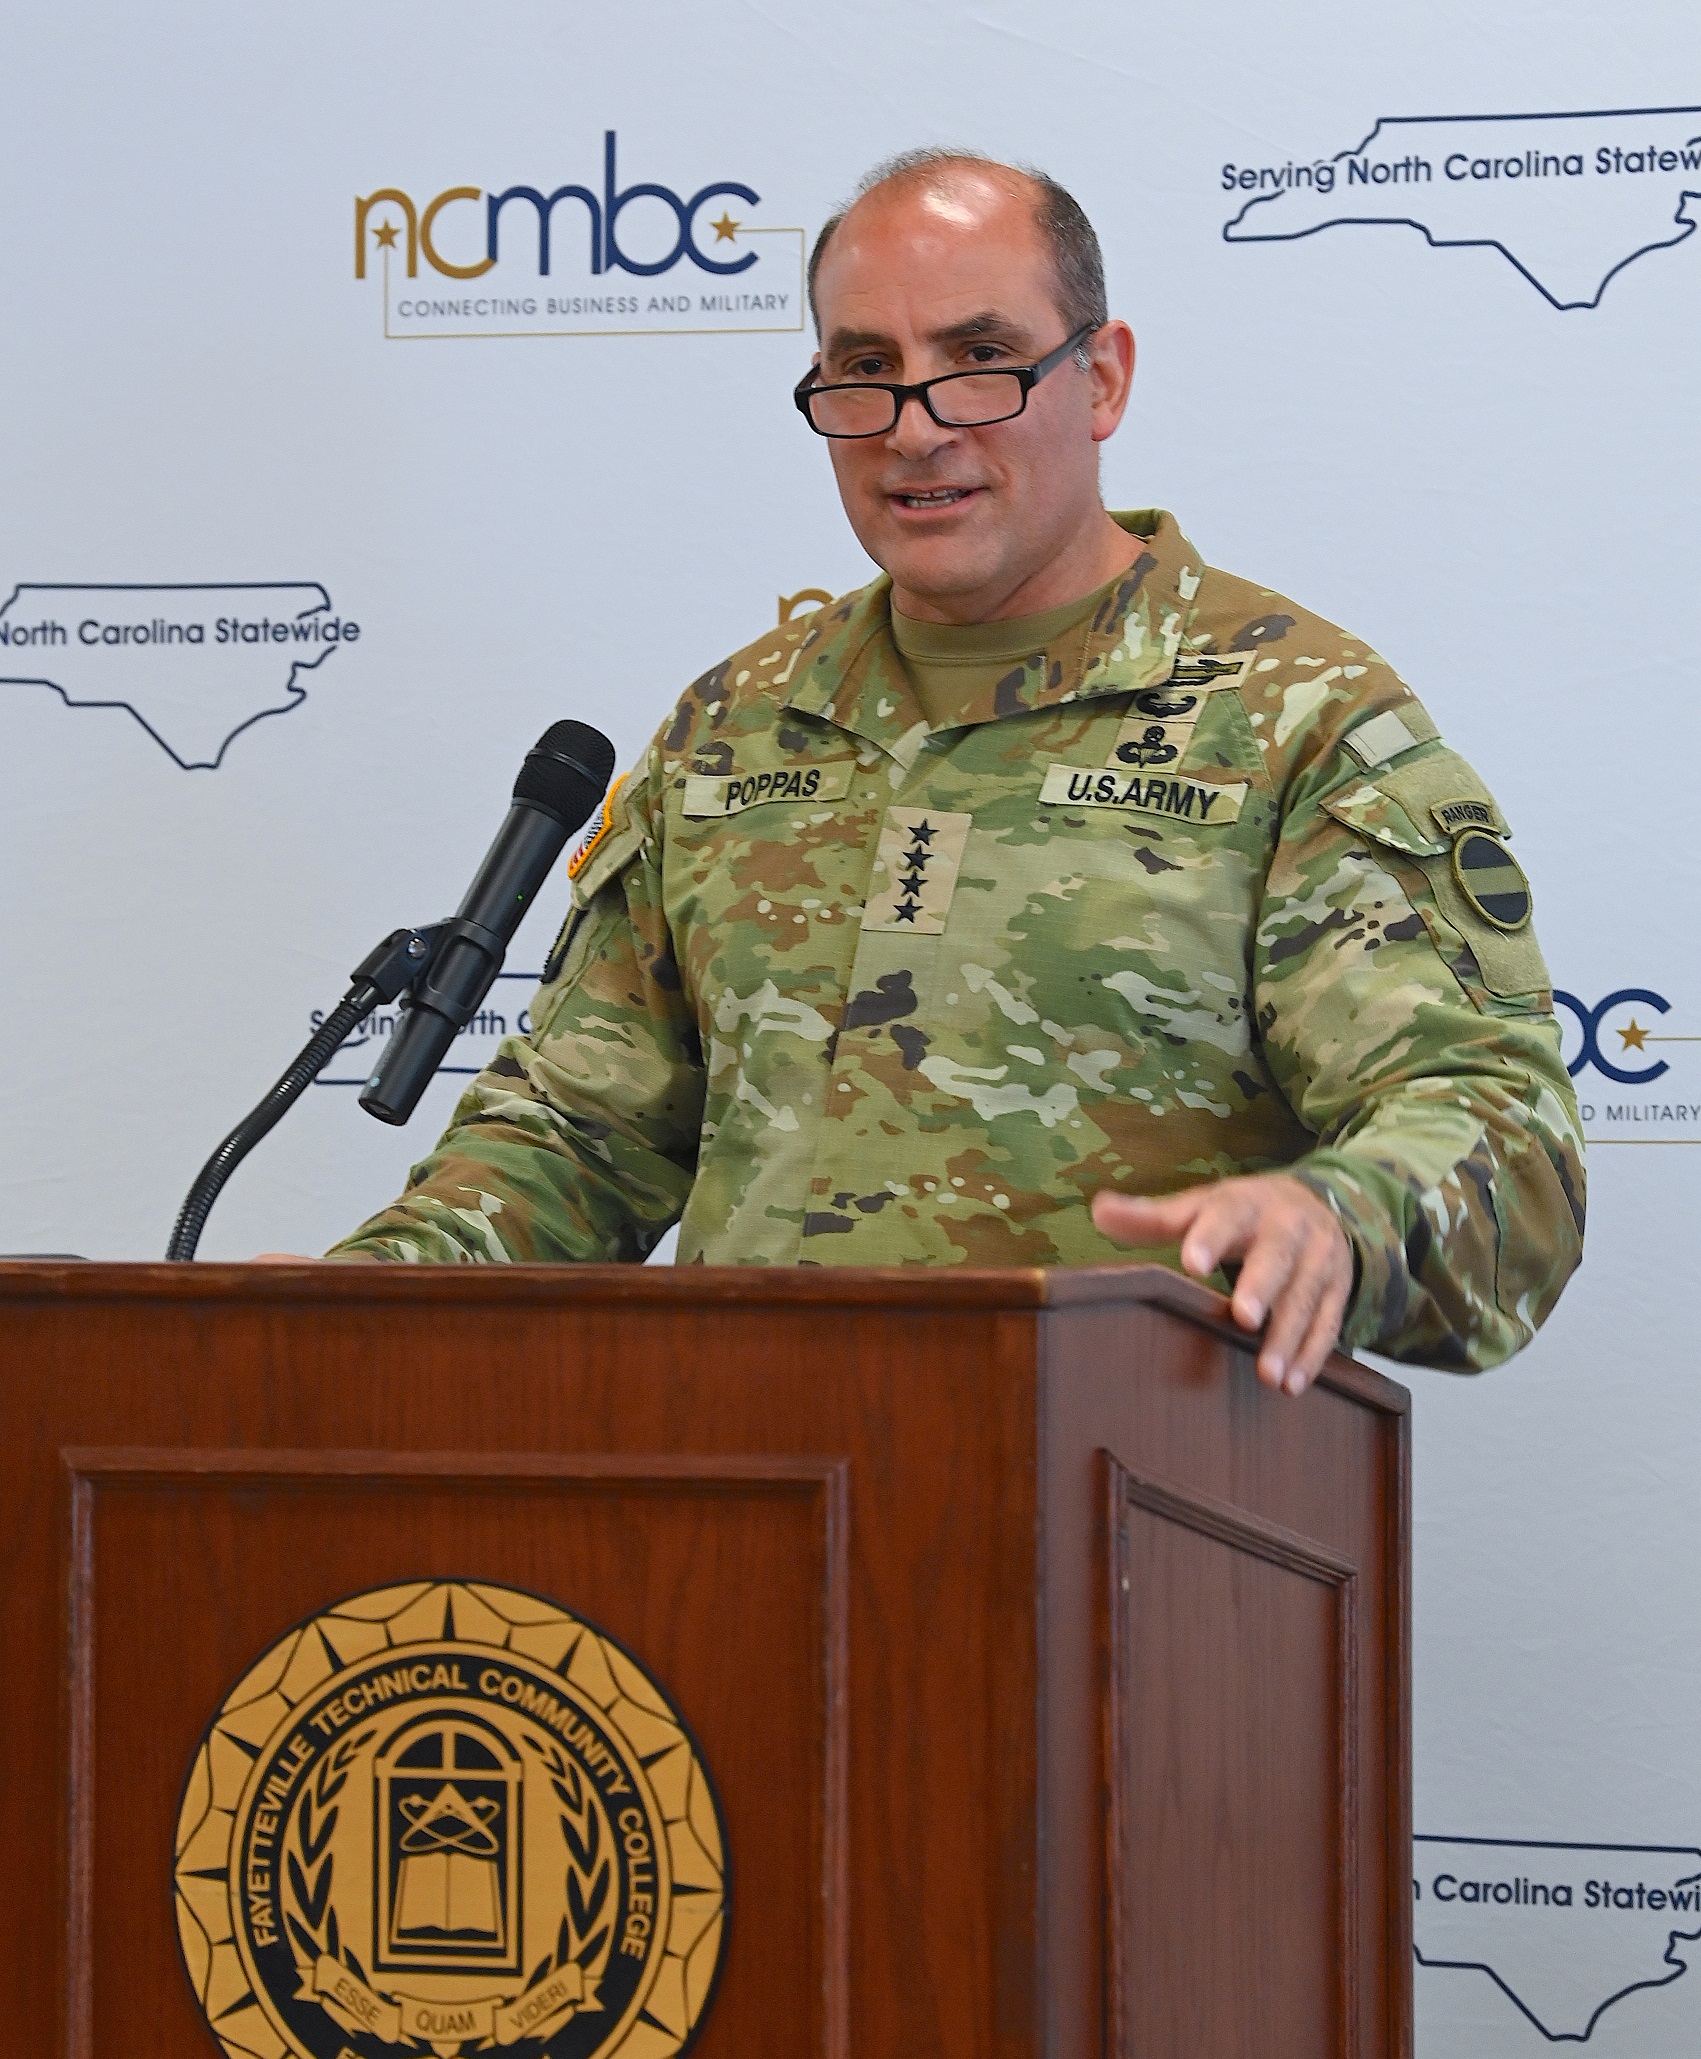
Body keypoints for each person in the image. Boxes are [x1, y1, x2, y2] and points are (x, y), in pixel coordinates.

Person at [321, 148, 1584, 1397]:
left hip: (1122, 1507)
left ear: (1100, 378)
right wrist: (343, 1308)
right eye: (866, 370)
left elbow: (1500, 1142)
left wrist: (1343, 1216)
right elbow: (577, 1137)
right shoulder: (735, 726)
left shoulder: (1291, 716)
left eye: (980, 361)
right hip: (737, 1502)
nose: (916, 429)